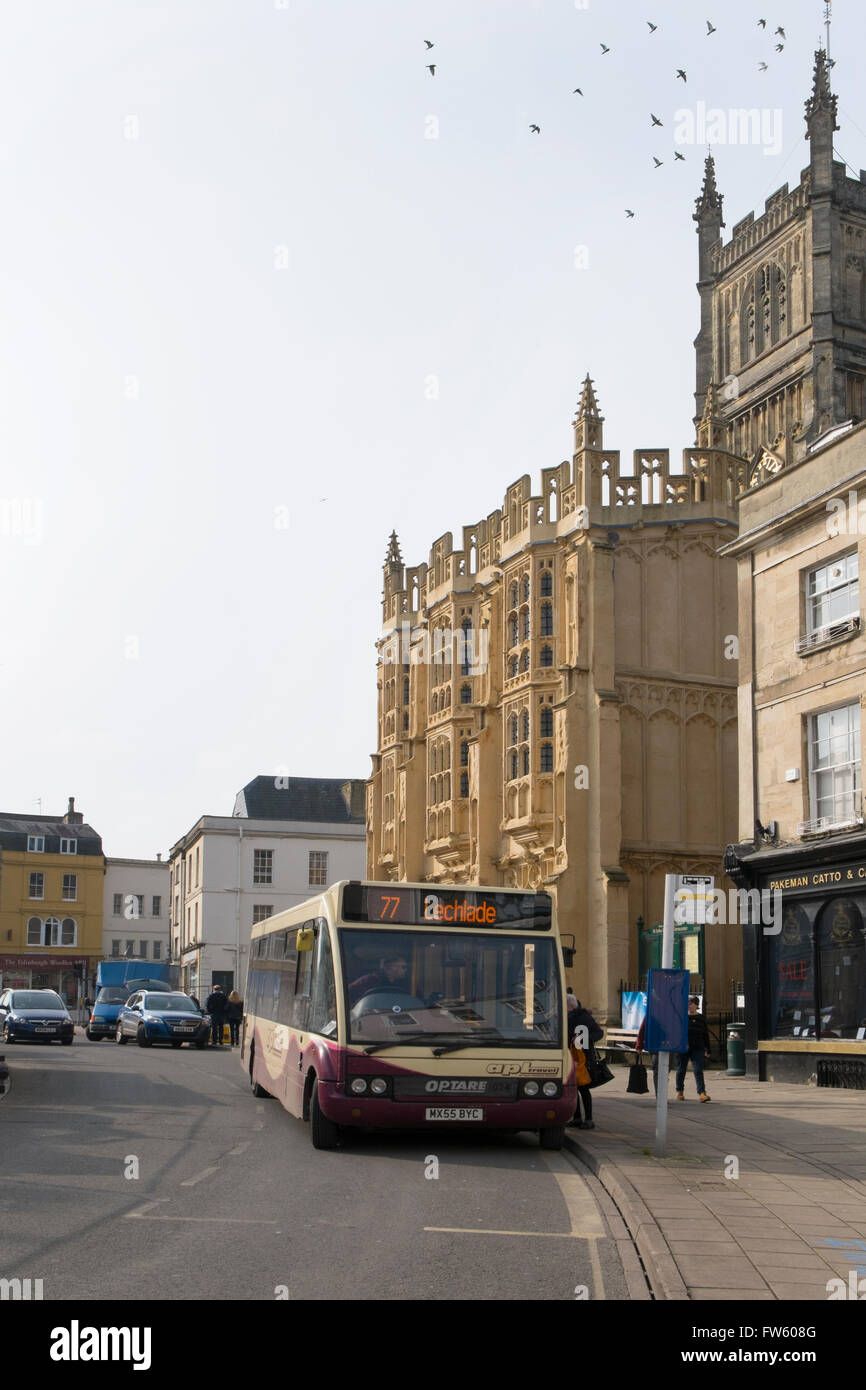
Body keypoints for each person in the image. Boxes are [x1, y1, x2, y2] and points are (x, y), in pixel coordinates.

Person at [567, 996, 601, 1130]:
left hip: (584, 1058)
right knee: (573, 1089)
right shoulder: (569, 1017)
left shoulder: (583, 1017)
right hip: (571, 1056)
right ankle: (577, 1117)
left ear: (570, 1006)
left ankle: (588, 1119)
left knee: (583, 1088)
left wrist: (583, 1038)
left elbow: (598, 1033)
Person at [675, 997, 711, 1101]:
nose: (689, 1006)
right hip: (683, 1048)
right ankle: (679, 1091)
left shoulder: (701, 1018)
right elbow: (677, 1033)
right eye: (688, 1004)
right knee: (681, 1070)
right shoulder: (682, 1017)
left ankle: (702, 1093)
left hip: (698, 1047)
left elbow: (705, 1034)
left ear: (696, 1005)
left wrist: (708, 1049)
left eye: (691, 1004)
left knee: (698, 1070)